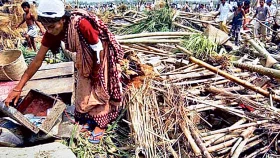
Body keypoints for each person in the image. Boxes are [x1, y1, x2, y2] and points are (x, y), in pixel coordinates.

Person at [5, 0, 123, 144]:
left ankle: (101, 124)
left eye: (53, 26)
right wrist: (18, 88)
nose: (49, 30)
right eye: (46, 27)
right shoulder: (51, 32)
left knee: (99, 88)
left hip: (100, 54)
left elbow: (97, 47)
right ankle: (90, 118)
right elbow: (37, 60)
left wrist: (96, 71)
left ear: (62, 20)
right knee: (84, 88)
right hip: (84, 56)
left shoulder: (80, 24)